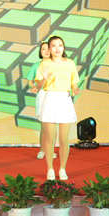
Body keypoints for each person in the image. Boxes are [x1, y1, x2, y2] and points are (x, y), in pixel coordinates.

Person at [36, 35, 80, 181]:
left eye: (60, 45)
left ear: (63, 47)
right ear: (49, 48)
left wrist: (75, 89)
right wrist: (44, 78)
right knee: (50, 138)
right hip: (50, 99)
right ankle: (50, 168)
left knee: (63, 139)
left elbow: (74, 82)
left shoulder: (70, 63)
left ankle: (62, 168)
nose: (57, 48)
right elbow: (38, 85)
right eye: (53, 46)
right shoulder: (44, 64)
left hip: (64, 100)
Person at [27, 42, 55, 160]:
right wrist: (33, 87)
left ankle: (51, 150)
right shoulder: (36, 66)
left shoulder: (57, 65)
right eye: (43, 49)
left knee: (52, 126)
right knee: (44, 126)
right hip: (43, 95)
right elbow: (30, 80)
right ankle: (42, 150)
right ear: (40, 52)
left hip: (54, 95)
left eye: (48, 49)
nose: (46, 51)